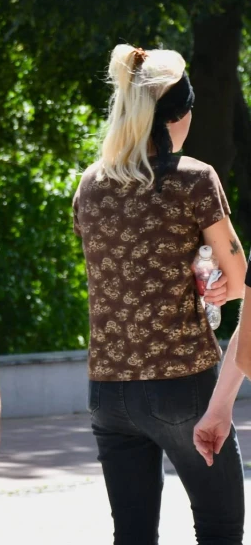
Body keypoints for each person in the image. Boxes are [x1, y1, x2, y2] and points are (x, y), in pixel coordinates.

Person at [73, 44, 247, 545]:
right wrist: (206, 272)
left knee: (131, 536)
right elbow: (237, 281)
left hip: (107, 388)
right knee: (219, 530)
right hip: (183, 382)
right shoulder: (195, 179)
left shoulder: (90, 184)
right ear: (181, 115)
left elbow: (120, 268)